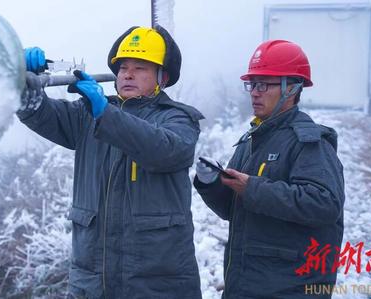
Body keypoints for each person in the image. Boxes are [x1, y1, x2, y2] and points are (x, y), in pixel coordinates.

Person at [18, 26, 204, 298]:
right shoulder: (86, 115)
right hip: (93, 285)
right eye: (123, 67)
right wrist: (23, 80)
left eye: (141, 68)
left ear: (162, 77)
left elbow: (163, 149)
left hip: (156, 287)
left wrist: (105, 113)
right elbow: (38, 112)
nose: (128, 74)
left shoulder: (178, 119)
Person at [194, 39, 345, 298]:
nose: (254, 92)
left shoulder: (308, 142)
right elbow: (235, 209)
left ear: (292, 88)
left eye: (263, 84)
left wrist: (252, 188)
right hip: (245, 284)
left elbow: (325, 203)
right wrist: (211, 185)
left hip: (288, 288)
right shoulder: (251, 140)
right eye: (252, 84)